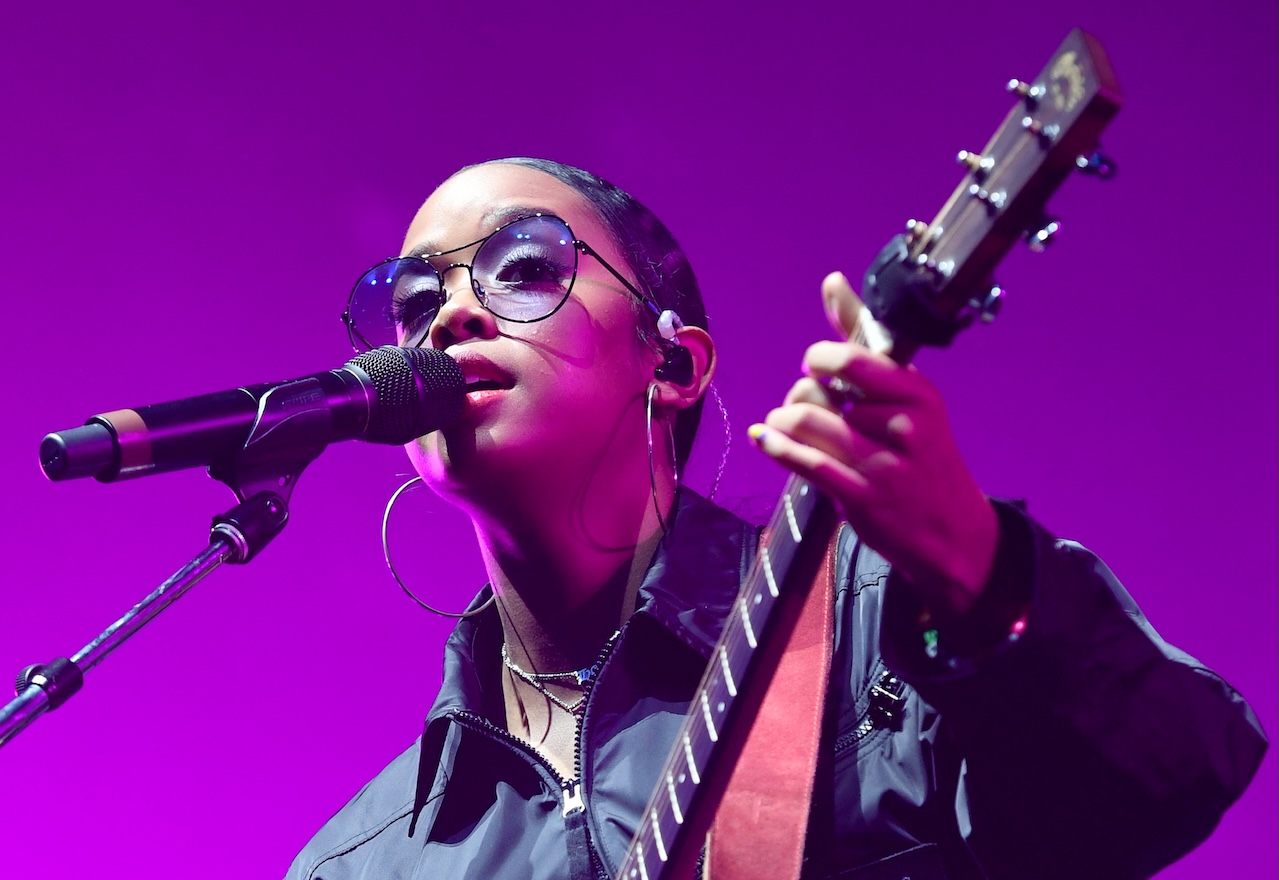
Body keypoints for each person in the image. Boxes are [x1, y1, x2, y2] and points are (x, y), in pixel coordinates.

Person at [287, 157, 1266, 879]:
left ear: (669, 366)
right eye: (416, 299)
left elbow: (1172, 775)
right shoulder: (358, 860)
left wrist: (975, 568)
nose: (450, 312)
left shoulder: (883, 626)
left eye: (525, 269)